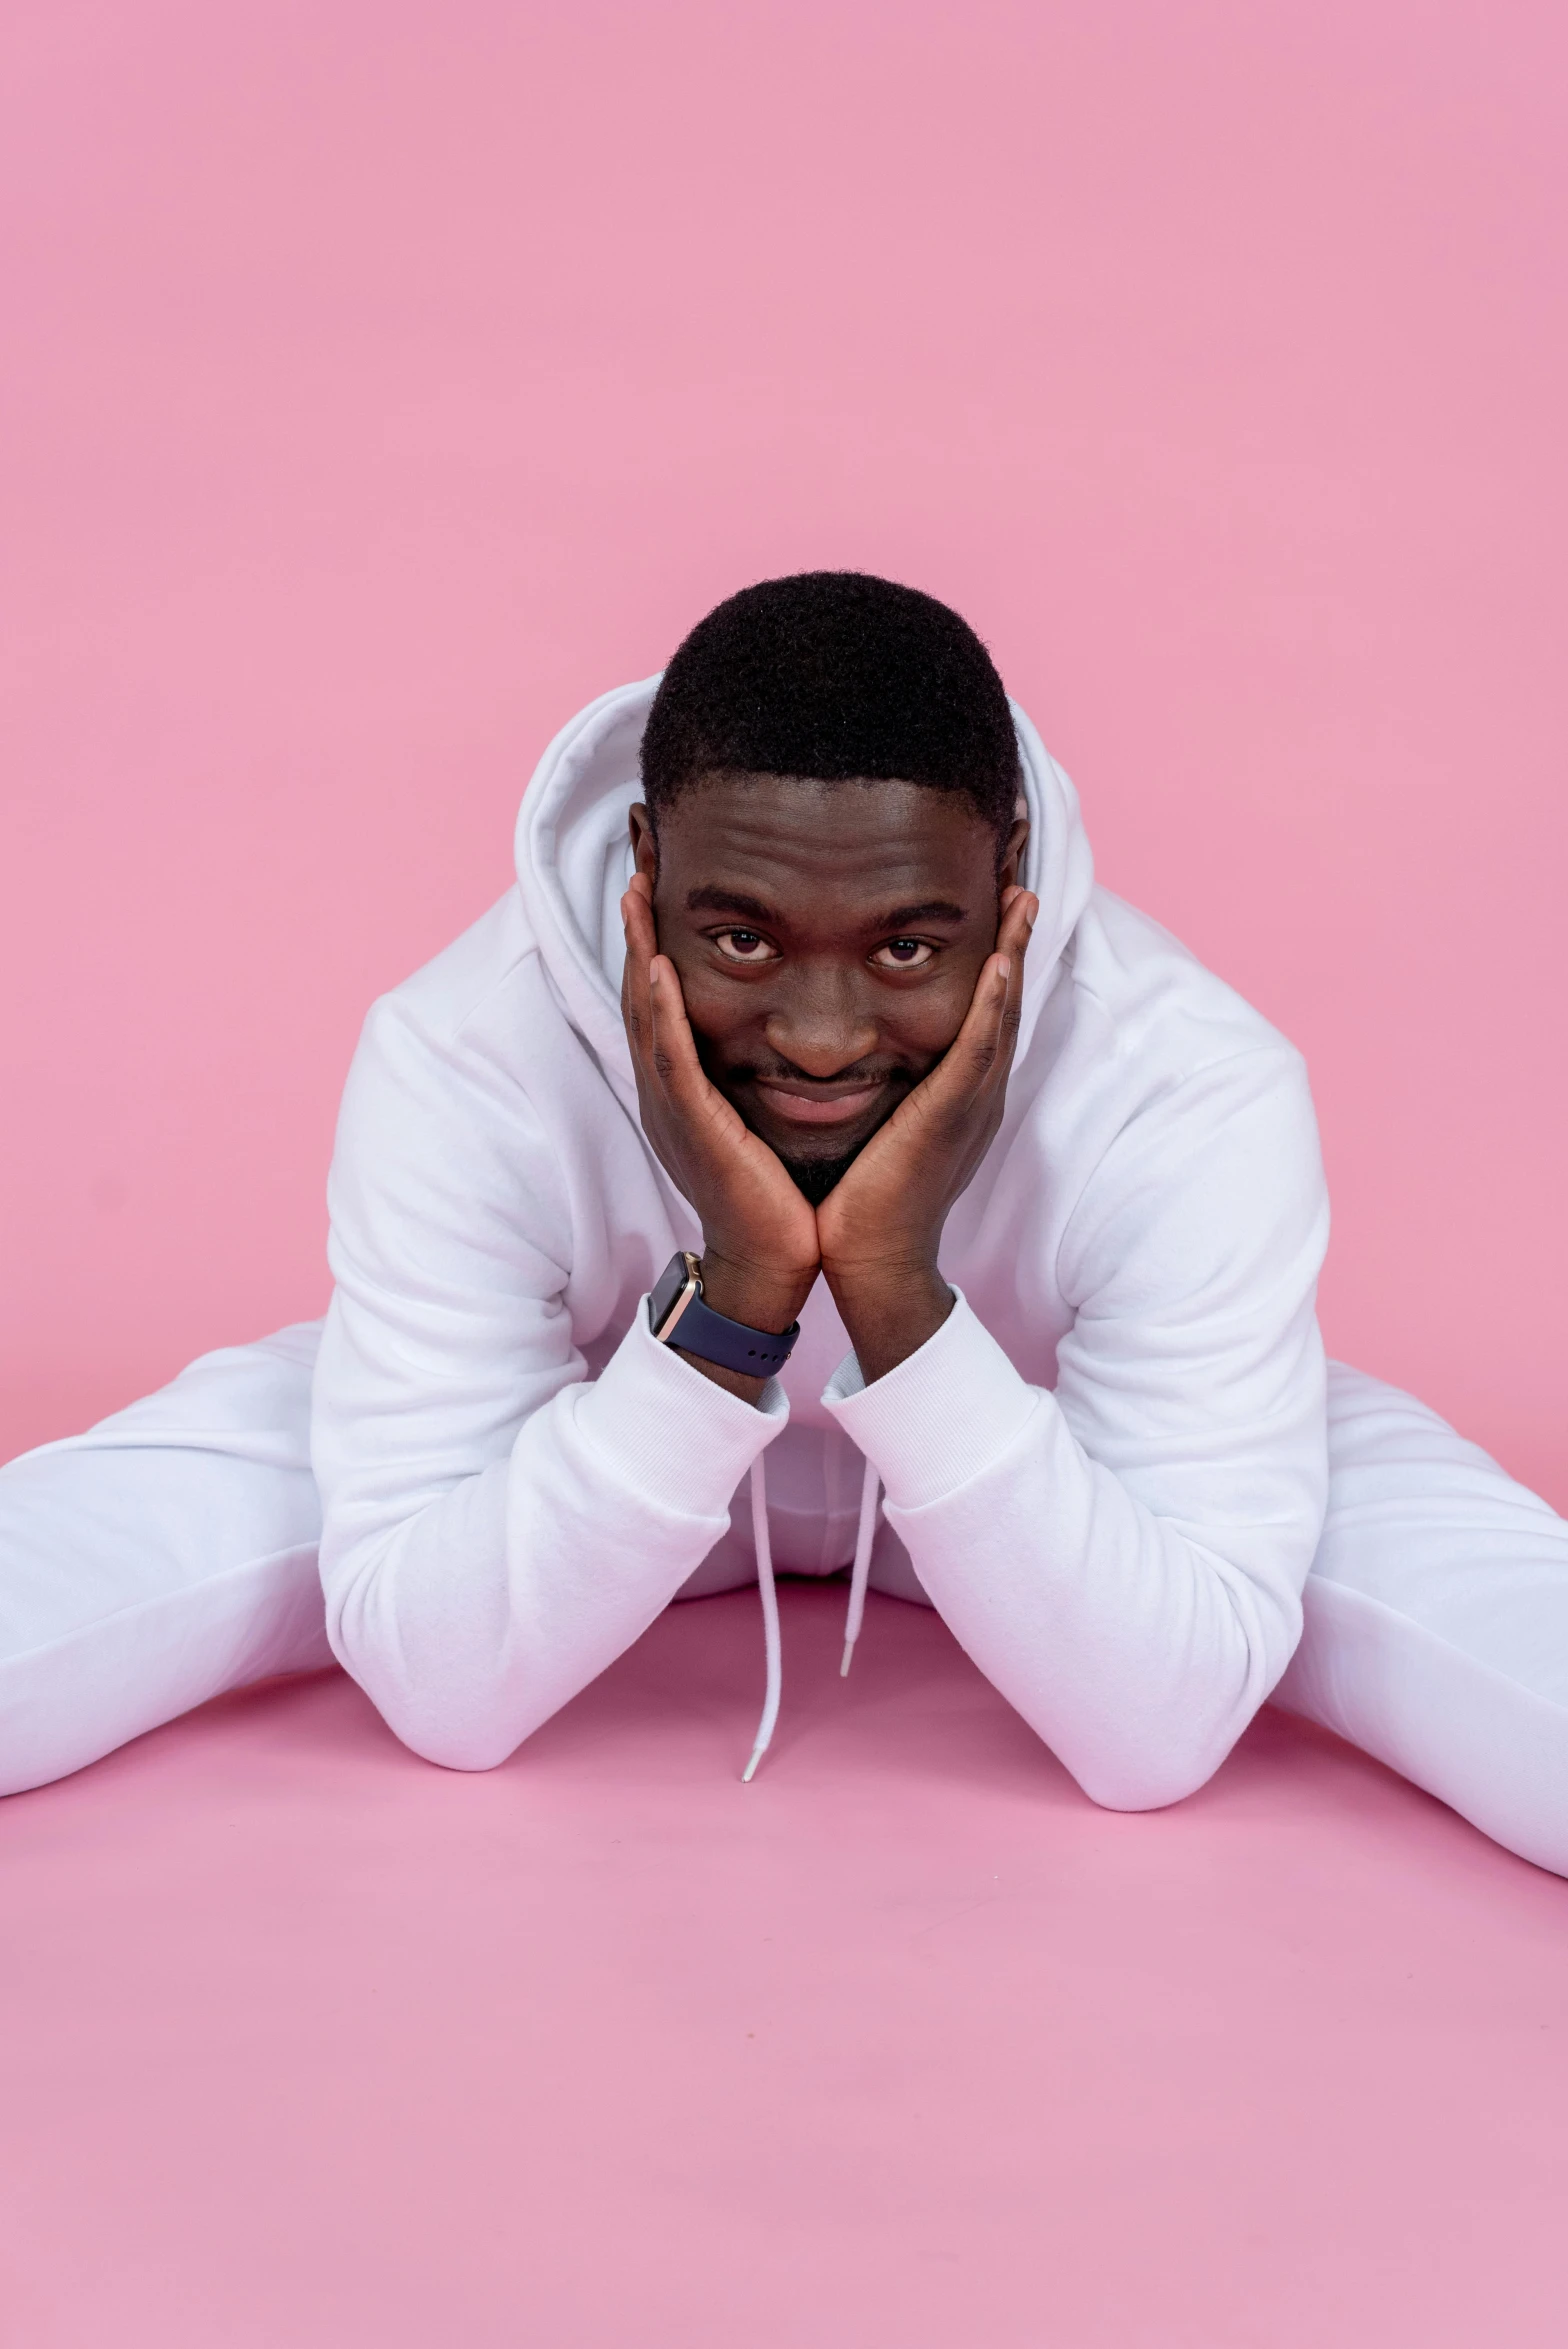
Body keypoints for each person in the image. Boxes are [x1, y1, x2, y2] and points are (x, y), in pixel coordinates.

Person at [2, 574, 1565, 1873]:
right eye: (739, 934)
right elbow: (443, 1684)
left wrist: (889, 1282)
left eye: (908, 946)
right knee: (164, 1526)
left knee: (1450, 1597)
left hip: (1071, 1443)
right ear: (644, 874)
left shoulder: (1189, 1083)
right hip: (579, 1415)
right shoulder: (461, 1053)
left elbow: (1154, 1730)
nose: (820, 1039)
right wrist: (741, 1299)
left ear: (1010, 887)